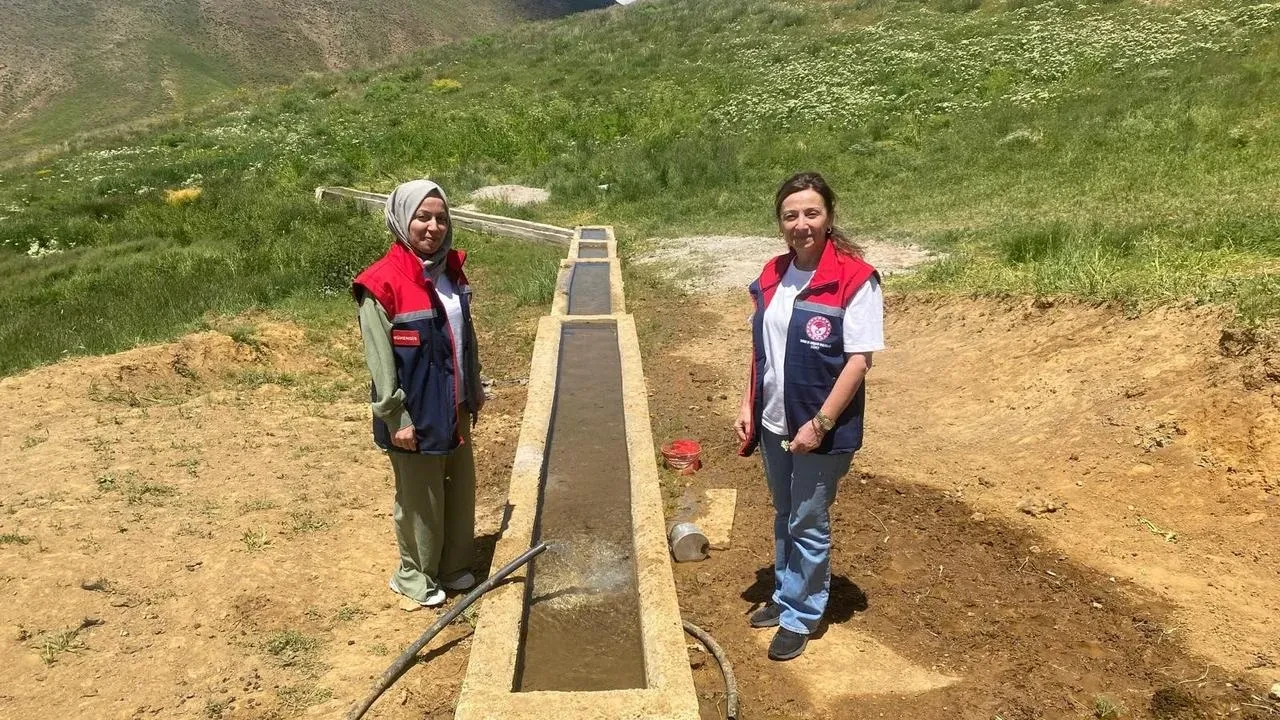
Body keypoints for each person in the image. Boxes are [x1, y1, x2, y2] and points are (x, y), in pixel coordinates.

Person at [734, 171, 884, 660]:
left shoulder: (855, 279)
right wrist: (747, 404)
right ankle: (784, 594)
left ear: (829, 217)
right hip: (775, 419)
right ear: (781, 223)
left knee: (808, 520)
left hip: (821, 427)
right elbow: (761, 347)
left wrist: (819, 423)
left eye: (811, 213)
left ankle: (802, 613)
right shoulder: (774, 272)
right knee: (784, 512)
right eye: (791, 215)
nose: (801, 223)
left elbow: (859, 360)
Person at [352, 179, 484, 608]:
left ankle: (452, 565)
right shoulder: (382, 283)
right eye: (422, 217)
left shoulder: (451, 273)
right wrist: (396, 419)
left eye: (441, 218)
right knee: (420, 499)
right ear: (400, 218)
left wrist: (475, 385)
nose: (433, 227)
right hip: (415, 412)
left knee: (459, 488)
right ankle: (414, 575)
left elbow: (466, 338)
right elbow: (380, 362)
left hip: (455, 402)